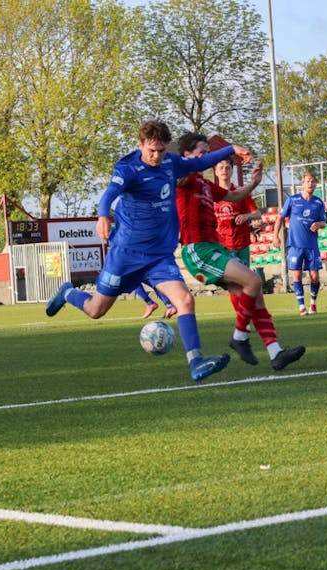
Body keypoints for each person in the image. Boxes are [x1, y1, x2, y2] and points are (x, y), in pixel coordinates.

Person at [45, 120, 233, 382]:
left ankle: (196, 362)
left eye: (161, 150)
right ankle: (68, 293)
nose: (156, 156)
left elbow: (199, 164)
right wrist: (102, 215)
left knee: (186, 300)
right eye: (152, 150)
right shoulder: (128, 168)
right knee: (96, 310)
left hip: (159, 256)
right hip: (126, 255)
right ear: (141, 145)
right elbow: (110, 194)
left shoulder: (170, 162)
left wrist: (230, 148)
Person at [175, 132, 305, 371]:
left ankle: (275, 353)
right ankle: (239, 336)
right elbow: (185, 169)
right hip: (198, 251)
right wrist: (231, 148)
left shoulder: (205, 184)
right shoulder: (184, 177)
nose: (206, 157)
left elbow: (235, 195)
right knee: (254, 282)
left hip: (215, 249)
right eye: (201, 152)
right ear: (186, 155)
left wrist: (254, 183)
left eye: (207, 152)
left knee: (255, 297)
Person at [214, 155, 263, 321]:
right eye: (221, 168)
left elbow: (258, 214)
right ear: (215, 171)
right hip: (223, 246)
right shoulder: (212, 195)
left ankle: (245, 316)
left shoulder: (240, 192)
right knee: (233, 284)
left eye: (227, 168)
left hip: (241, 245)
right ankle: (242, 317)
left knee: (245, 283)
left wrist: (247, 216)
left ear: (232, 171)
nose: (224, 171)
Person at [274, 172, 327, 316]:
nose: (311, 184)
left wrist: (318, 224)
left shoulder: (318, 202)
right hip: (295, 245)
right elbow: (280, 218)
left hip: (312, 246)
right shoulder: (292, 200)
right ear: (302, 183)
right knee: (296, 275)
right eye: (308, 181)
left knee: (315, 276)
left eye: (313, 181)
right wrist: (275, 236)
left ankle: (313, 303)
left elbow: (324, 222)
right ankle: (302, 306)